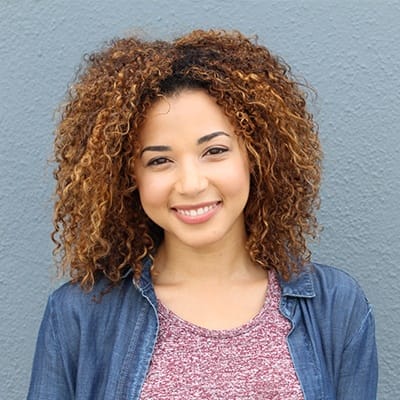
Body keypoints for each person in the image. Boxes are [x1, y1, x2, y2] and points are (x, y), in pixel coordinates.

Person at [27, 29, 378, 399]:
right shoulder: (77, 315)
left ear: (256, 155)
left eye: (214, 151)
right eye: (160, 160)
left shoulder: (336, 306)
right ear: (129, 177)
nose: (191, 184)